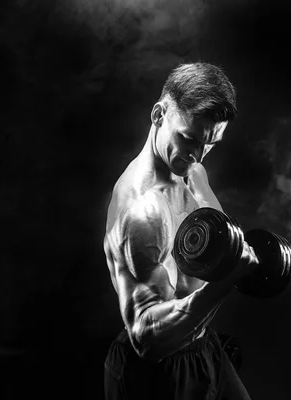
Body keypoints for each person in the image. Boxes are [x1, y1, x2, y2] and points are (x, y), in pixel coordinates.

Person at [103, 62, 258, 400]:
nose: (198, 155)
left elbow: (221, 244)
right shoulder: (142, 209)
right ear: (159, 115)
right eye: (188, 139)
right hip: (157, 370)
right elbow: (147, 337)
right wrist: (223, 285)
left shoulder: (192, 170)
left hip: (202, 346)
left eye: (211, 143)